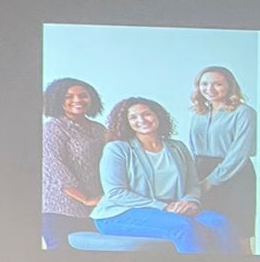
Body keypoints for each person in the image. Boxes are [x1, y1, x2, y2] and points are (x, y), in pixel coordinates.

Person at [91, 98, 237, 253]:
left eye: (146, 114)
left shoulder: (178, 147)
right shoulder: (117, 149)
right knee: (183, 227)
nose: (141, 120)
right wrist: (164, 207)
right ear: (126, 123)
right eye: (133, 117)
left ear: (157, 116)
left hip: (172, 209)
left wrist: (190, 202)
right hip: (120, 213)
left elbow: (192, 185)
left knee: (219, 223)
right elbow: (116, 193)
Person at [187, 67, 257, 250]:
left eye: (217, 84)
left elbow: (239, 152)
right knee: (206, 230)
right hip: (201, 171)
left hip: (235, 175)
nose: (210, 89)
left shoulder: (244, 112)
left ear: (229, 86)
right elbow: (194, 150)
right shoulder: (198, 113)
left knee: (239, 233)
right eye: (204, 84)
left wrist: (212, 181)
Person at [41, 79, 109, 249]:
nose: (77, 100)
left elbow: (110, 163)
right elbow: (54, 167)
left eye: (83, 96)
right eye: (68, 96)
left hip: (95, 210)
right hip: (60, 209)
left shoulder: (99, 129)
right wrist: (85, 199)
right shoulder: (54, 128)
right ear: (57, 100)